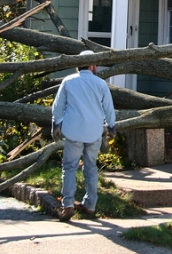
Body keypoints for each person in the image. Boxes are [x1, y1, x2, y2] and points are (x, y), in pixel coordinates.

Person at [51, 50, 116, 221]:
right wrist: (111, 126)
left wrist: (56, 123)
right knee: (91, 167)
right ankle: (90, 205)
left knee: (69, 167)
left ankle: (68, 204)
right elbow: (109, 108)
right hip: (94, 131)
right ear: (92, 65)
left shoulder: (68, 81)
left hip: (73, 130)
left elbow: (58, 106)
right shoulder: (100, 84)